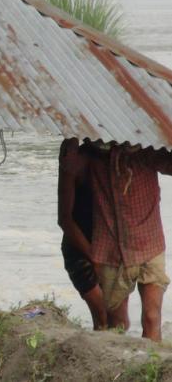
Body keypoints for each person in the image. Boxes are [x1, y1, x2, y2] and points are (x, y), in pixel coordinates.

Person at [61, 139, 172, 341]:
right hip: (110, 251)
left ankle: (151, 368)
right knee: (117, 324)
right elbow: (65, 214)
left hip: (149, 244)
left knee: (151, 316)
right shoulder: (88, 155)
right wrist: (93, 256)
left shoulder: (146, 151)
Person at [57, 139, 107, 330]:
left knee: (117, 319)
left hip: (107, 245)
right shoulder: (73, 155)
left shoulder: (115, 154)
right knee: (103, 316)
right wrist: (94, 258)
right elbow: (64, 220)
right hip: (79, 248)